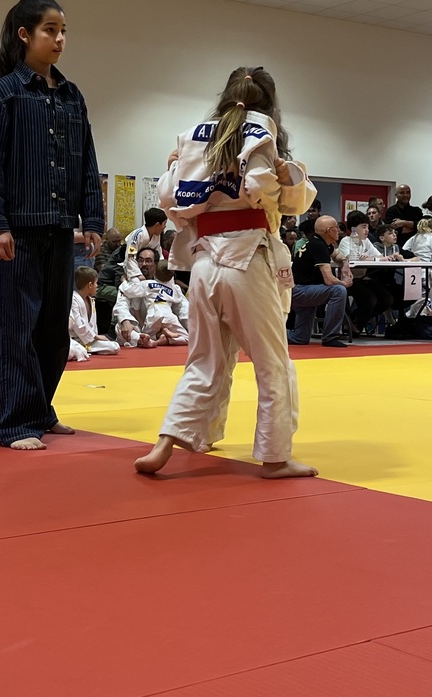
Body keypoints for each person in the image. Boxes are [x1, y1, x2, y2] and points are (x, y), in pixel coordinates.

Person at [136, 65, 316, 479]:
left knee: (205, 359)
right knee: (272, 363)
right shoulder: (262, 134)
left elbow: (169, 197)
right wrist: (288, 176)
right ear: (269, 102)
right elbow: (265, 191)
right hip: (246, 259)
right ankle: (275, 456)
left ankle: (168, 442)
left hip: (203, 263)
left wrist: (172, 168)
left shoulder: (194, 137)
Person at [0, 0, 104, 448]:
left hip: (61, 229)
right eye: (50, 30)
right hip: (20, 231)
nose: (59, 39)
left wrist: (93, 217)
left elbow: (87, 162)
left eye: (63, 31)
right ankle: (14, 423)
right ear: (25, 35)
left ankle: (40, 408)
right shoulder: (5, 95)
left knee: (53, 330)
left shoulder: (72, 97)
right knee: (18, 329)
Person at [287, 215, 349, 347]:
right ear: (328, 231)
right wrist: (344, 283)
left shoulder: (318, 243)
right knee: (339, 290)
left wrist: (345, 263)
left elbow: (337, 255)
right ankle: (330, 336)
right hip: (301, 291)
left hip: (301, 290)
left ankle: (272, 334)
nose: (339, 230)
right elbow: (329, 280)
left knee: (300, 338)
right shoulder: (318, 246)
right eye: (336, 227)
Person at [117, 246, 189, 345]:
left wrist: (123, 281)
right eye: (140, 260)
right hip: (140, 324)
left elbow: (183, 308)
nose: (144, 264)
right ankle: (158, 337)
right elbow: (121, 303)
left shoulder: (165, 285)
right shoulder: (134, 283)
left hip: (153, 318)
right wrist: (125, 320)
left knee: (190, 333)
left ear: (155, 265)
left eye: (148, 261)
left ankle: (150, 340)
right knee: (119, 327)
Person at [68, 265, 118, 361]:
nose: (97, 286)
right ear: (90, 285)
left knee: (115, 347)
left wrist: (95, 337)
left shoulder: (91, 300)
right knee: (78, 352)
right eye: (96, 283)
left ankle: (87, 348)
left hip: (89, 340)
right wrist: (95, 336)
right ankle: (84, 348)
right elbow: (78, 326)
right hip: (75, 338)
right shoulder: (73, 300)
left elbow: (92, 325)